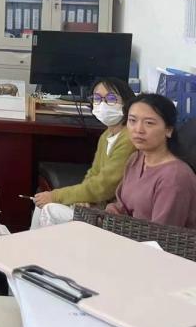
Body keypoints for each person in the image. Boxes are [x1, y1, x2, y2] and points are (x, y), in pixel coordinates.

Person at [30, 77, 136, 228]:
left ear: (127, 102)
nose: (102, 104)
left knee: (49, 208)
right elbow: (94, 174)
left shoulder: (129, 138)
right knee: (42, 205)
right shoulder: (107, 135)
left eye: (111, 98)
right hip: (98, 206)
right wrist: (84, 198)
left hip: (114, 216)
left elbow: (105, 186)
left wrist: (56, 196)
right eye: (97, 99)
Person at [107, 93, 196, 228]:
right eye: (132, 121)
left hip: (150, 240)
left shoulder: (175, 176)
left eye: (149, 123)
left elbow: (162, 233)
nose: (138, 130)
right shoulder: (136, 159)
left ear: (168, 130)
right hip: (124, 233)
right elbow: (121, 205)